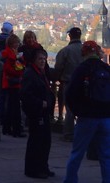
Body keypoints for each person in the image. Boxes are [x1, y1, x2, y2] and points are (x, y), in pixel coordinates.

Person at [64, 41, 110, 183]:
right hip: (105, 117)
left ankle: (71, 181)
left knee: (77, 153)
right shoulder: (106, 68)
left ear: (83, 53)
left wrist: (77, 111)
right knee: (106, 155)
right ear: (97, 52)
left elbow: (70, 94)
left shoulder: (81, 69)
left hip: (87, 116)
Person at [21, 49, 55, 179]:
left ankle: (43, 167)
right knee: (36, 142)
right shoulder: (30, 73)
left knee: (45, 141)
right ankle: (33, 169)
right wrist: (41, 103)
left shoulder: (40, 72)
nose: (43, 61)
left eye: (44, 59)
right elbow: (25, 94)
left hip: (43, 112)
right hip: (36, 112)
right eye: (40, 58)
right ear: (34, 60)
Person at [55, 27, 83, 142]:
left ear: (70, 36)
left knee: (70, 109)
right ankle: (83, 132)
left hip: (69, 83)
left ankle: (68, 134)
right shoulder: (85, 50)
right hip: (84, 83)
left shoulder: (65, 51)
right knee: (83, 109)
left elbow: (58, 68)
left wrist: (57, 77)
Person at [1, 33, 26, 137]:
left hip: (11, 82)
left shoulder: (11, 53)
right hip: (13, 82)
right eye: (16, 43)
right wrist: (20, 68)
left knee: (11, 107)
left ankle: (7, 128)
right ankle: (16, 129)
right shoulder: (9, 54)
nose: (18, 44)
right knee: (14, 107)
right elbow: (10, 69)